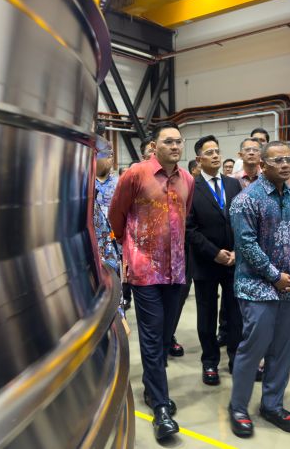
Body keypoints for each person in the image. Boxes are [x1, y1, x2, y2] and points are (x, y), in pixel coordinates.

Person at [108, 122, 195, 441]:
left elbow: (184, 216)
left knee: (163, 336)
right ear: (154, 146)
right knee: (151, 335)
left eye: (179, 141)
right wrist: (131, 248)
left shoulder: (187, 179)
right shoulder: (135, 174)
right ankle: (161, 408)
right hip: (145, 271)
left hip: (176, 270)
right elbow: (116, 216)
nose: (175, 146)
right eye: (168, 141)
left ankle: (151, 387)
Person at [227, 141, 290, 438]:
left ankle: (272, 405)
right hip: (257, 287)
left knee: (283, 350)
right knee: (253, 349)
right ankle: (238, 407)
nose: (285, 165)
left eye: (289, 159)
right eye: (278, 160)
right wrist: (275, 276)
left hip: (288, 286)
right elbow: (246, 245)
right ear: (263, 165)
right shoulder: (247, 200)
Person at [186, 135, 243, 385]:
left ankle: (236, 358)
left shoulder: (233, 184)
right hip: (206, 262)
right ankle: (209, 361)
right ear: (199, 159)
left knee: (235, 313)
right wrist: (214, 252)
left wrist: (237, 252)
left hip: (233, 261)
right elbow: (189, 228)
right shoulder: (191, 187)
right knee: (207, 313)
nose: (216, 156)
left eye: (217, 151)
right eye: (209, 153)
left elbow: (243, 220)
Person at [94, 144, 120, 276]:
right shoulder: (86, 183)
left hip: (116, 240)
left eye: (111, 155)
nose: (110, 158)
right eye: (106, 155)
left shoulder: (119, 183)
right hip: (94, 240)